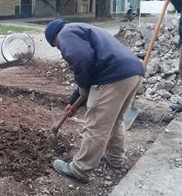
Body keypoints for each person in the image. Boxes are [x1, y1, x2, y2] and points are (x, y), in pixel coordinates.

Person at [44, 20, 145, 184]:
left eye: (56, 46)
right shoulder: (82, 28)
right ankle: (115, 158)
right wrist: (73, 101)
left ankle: (80, 169)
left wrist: (83, 87)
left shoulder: (65, 34)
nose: (60, 49)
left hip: (112, 77)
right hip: (133, 73)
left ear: (53, 39)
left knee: (96, 124)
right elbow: (88, 69)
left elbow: (82, 61)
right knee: (115, 119)